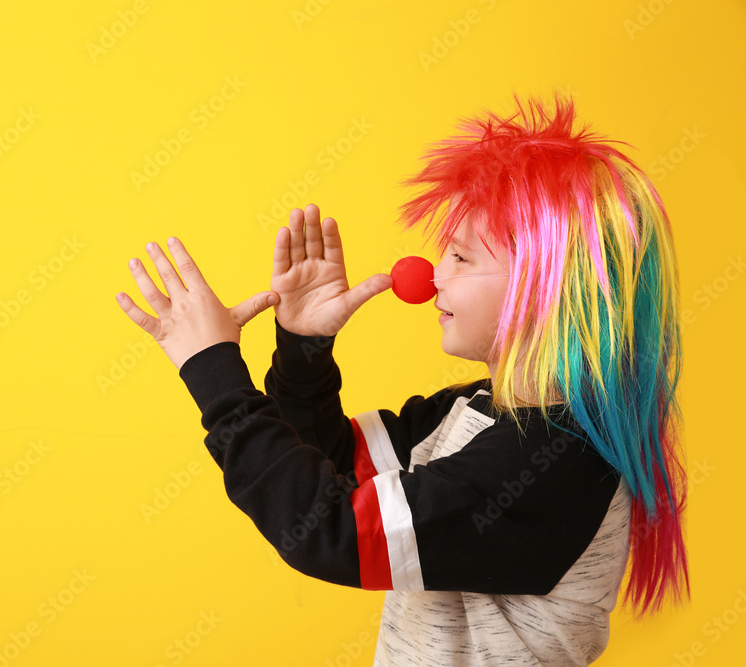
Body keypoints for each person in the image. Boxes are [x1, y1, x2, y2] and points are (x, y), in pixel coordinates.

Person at [114, 93, 688, 666]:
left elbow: (328, 530)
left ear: (548, 288)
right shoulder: (474, 409)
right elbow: (333, 463)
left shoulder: (559, 457)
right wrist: (303, 350)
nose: (430, 277)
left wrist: (213, 370)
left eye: (461, 259)